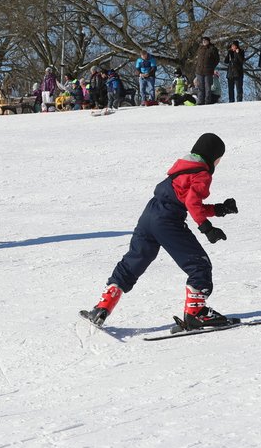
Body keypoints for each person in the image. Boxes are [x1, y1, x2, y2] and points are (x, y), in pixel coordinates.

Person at [82, 133, 239, 330]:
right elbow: (191, 203)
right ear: (213, 156)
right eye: (218, 159)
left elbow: (188, 201)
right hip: (168, 220)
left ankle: (102, 307)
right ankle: (196, 314)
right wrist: (207, 229)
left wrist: (219, 209)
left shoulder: (183, 169)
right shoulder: (202, 174)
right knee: (199, 264)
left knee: (133, 262)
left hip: (149, 215)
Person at [194, 36, 220, 105]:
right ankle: (200, 101)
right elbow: (198, 59)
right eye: (203, 41)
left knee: (208, 86)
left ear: (208, 41)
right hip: (199, 71)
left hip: (208, 71)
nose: (204, 42)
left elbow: (217, 59)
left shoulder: (213, 49)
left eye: (205, 40)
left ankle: (207, 101)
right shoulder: (200, 48)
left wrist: (212, 67)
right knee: (200, 87)